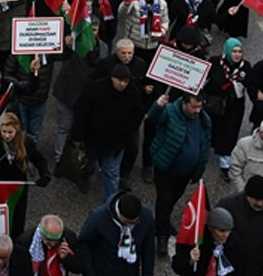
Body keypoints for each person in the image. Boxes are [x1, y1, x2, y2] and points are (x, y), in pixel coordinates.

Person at [148, 92, 211, 253]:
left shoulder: (204, 119)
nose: (198, 110)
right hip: (166, 169)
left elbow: (205, 142)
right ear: (184, 104)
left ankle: (163, 222)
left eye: (200, 106)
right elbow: (155, 118)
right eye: (194, 106)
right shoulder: (169, 112)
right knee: (164, 201)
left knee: (171, 200)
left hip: (186, 173)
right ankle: (162, 236)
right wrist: (158, 105)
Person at [72, 63, 143, 200]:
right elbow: (82, 112)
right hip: (93, 138)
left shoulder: (133, 92)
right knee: (89, 164)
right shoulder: (95, 88)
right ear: (112, 78)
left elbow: (138, 113)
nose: (122, 84)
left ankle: (110, 203)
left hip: (117, 141)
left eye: (125, 81)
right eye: (119, 80)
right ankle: (85, 177)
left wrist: (128, 130)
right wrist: (78, 135)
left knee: (111, 172)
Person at [0, 113, 50, 235]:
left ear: (17, 130)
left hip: (18, 185)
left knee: (18, 217)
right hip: (0, 184)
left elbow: (38, 158)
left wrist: (45, 174)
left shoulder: (26, 142)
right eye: (4, 132)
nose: (7, 136)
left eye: (10, 132)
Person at [216, 175, 263, 276]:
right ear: (247, 195)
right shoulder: (227, 206)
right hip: (228, 267)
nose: (260, 204)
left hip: (255, 269)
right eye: (256, 199)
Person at [79, 192, 156, 275]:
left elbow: (148, 248)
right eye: (126, 222)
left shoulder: (146, 216)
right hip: (104, 270)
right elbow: (83, 243)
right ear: (118, 213)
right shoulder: (98, 217)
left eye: (134, 222)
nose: (130, 225)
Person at [206, 37, 251, 179]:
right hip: (214, 104)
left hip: (233, 106)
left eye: (239, 51)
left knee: (229, 133)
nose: (237, 54)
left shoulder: (245, 67)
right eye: (234, 51)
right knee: (210, 129)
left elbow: (250, 84)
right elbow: (204, 80)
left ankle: (225, 164)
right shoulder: (215, 62)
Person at [172, 207, 241, 276]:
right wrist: (190, 261)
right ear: (210, 228)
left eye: (229, 230)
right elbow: (177, 266)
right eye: (221, 231)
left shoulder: (233, 242)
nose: (226, 235)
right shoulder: (196, 240)